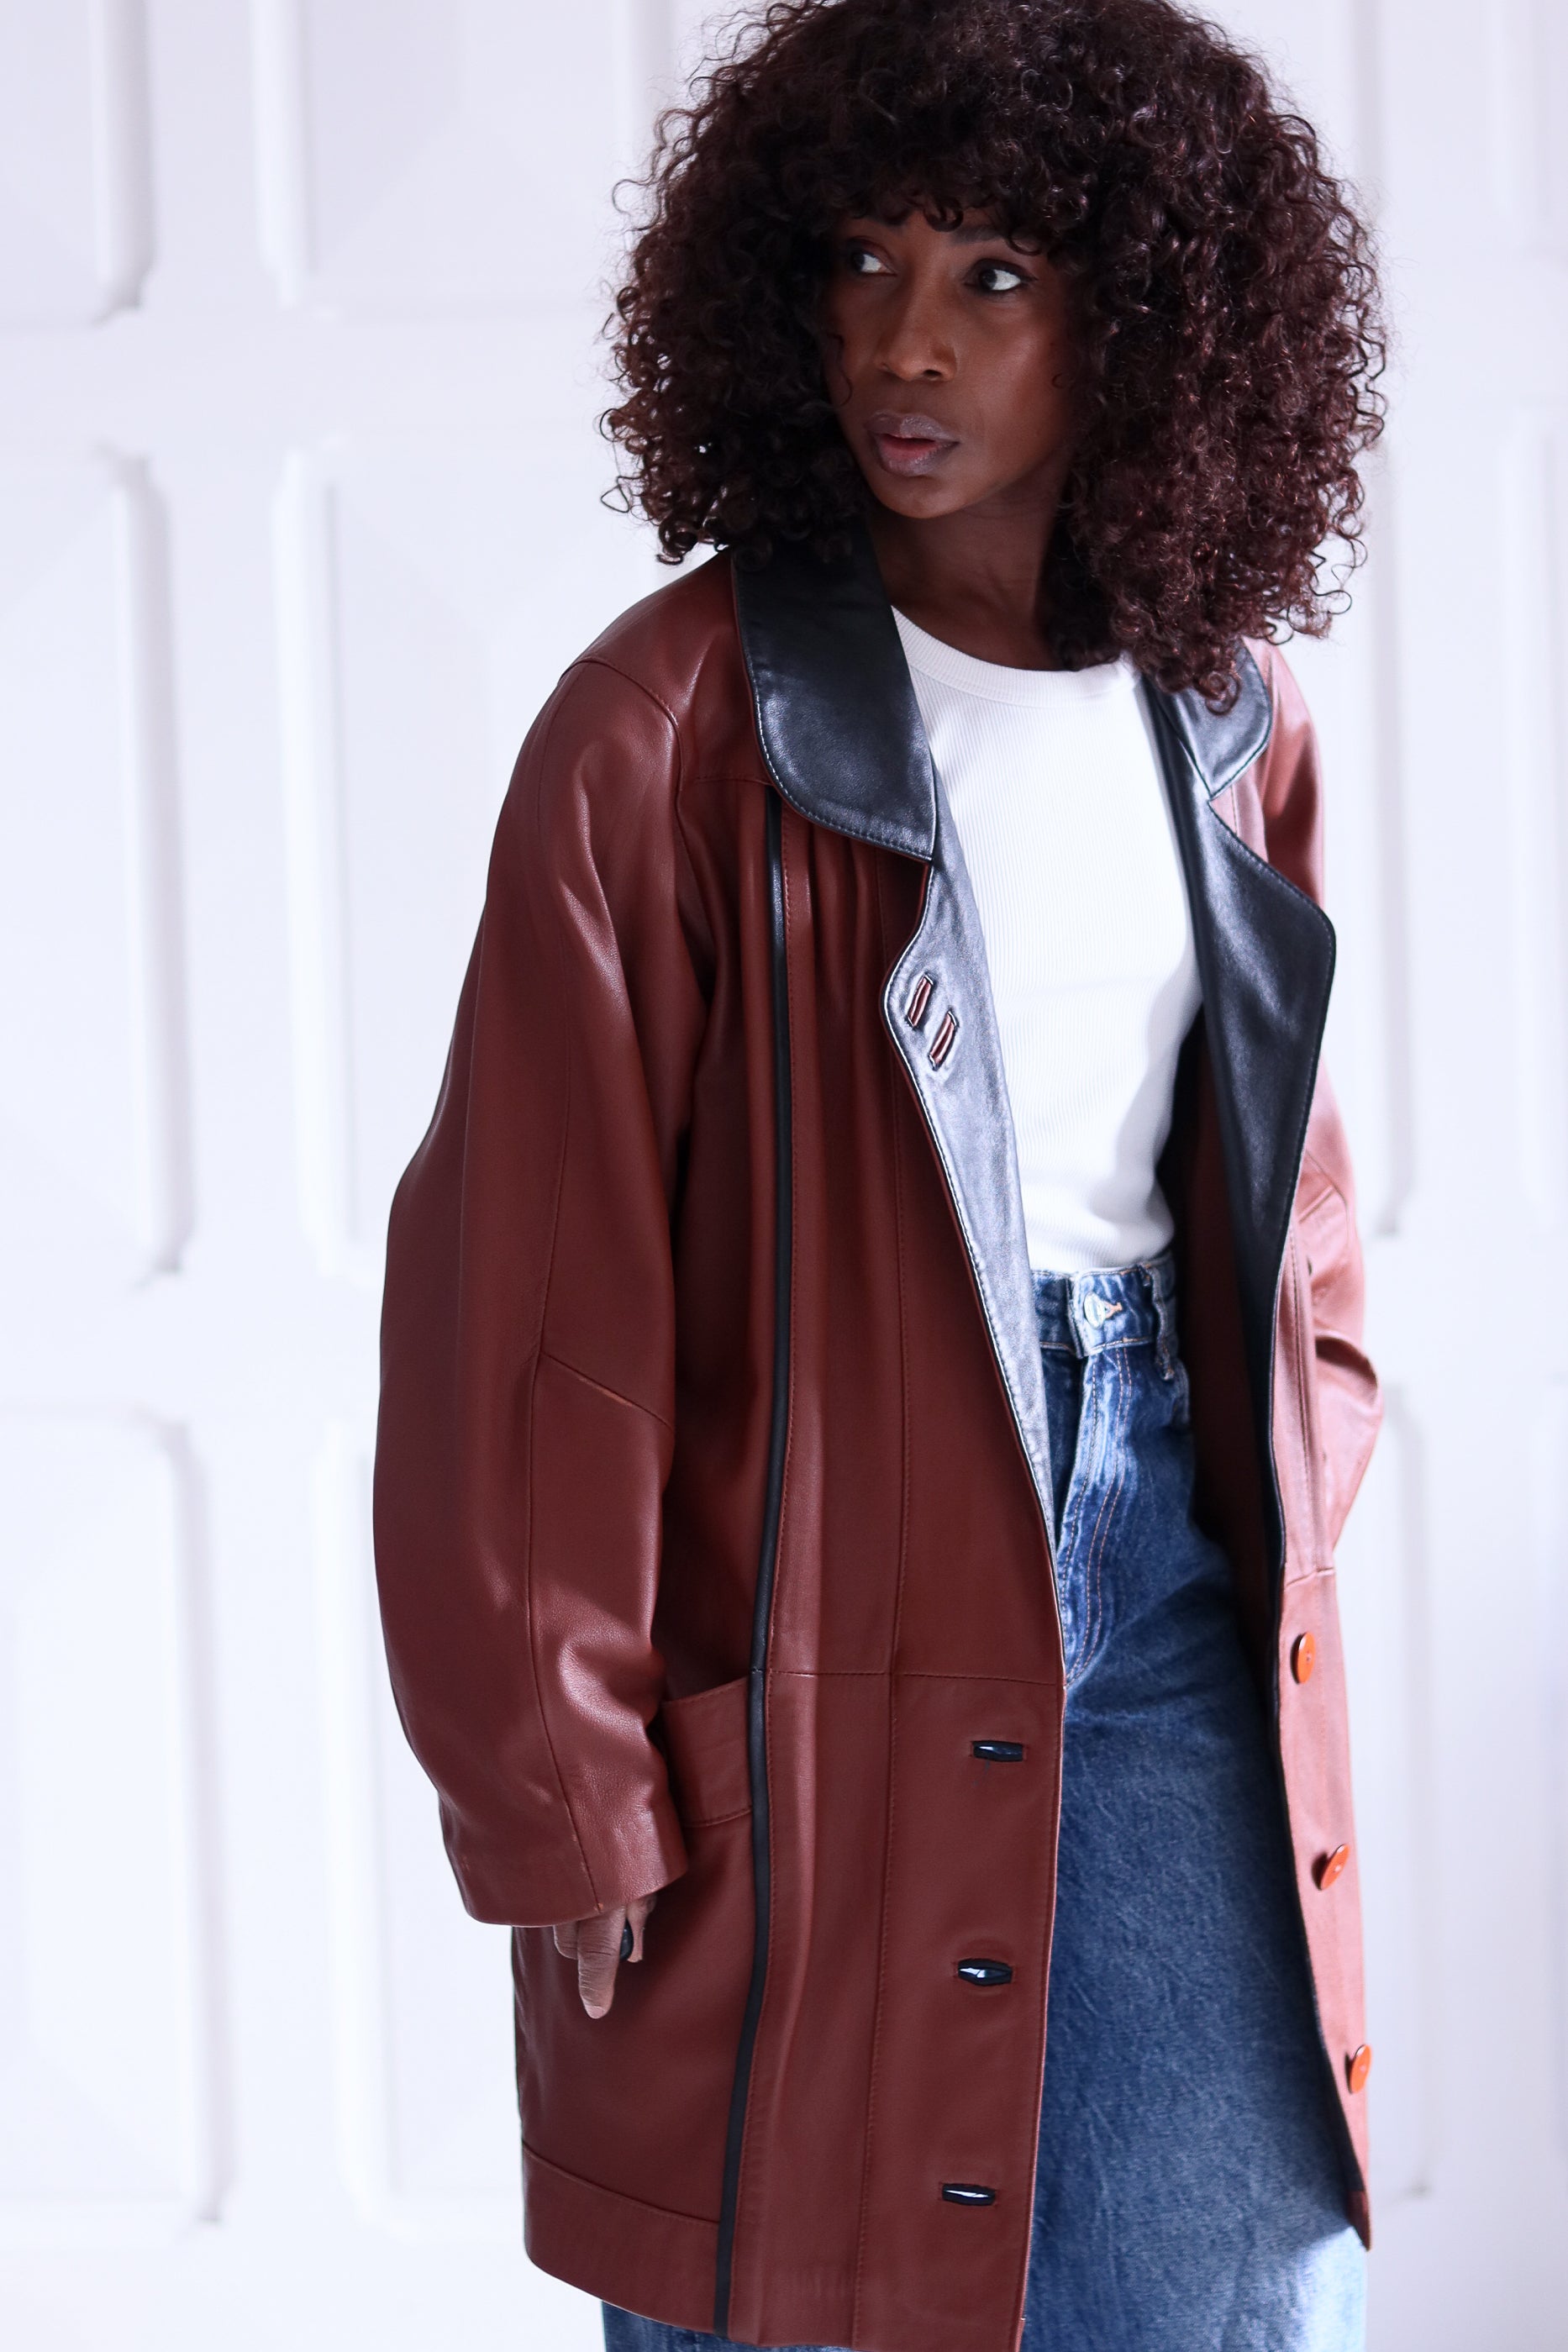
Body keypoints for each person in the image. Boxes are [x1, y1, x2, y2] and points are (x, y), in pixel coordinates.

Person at [371, 3, 1387, 2347]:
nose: (899, 345)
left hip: (1175, 1592)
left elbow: (1289, 1193)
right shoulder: (665, 732)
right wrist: (555, 1773)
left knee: (1234, 2280)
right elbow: (520, 1295)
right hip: (805, 1593)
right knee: (801, 2275)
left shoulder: (1227, 710)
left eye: (993, 277)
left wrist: (1305, 1436)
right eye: (857, 259)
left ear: (1152, 320)